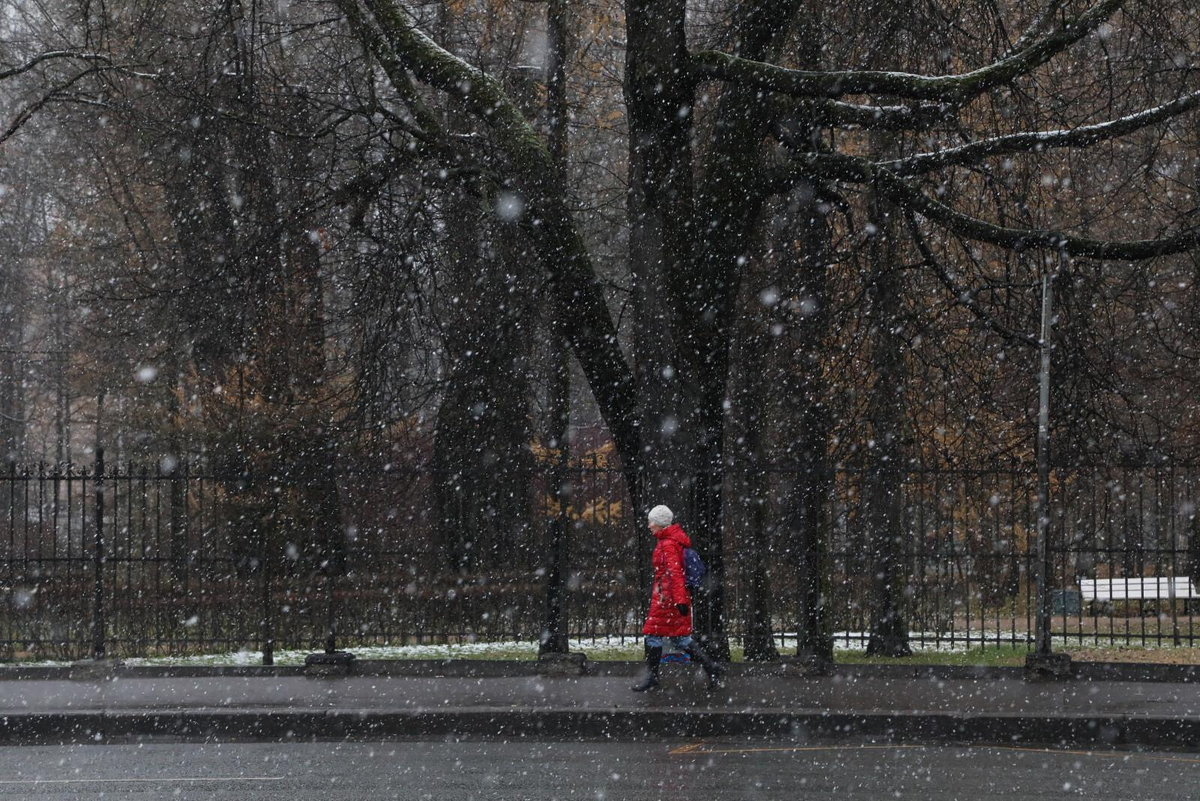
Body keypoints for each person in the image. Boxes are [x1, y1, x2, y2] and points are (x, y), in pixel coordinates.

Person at [631, 504, 724, 692]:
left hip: (667, 600)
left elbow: (675, 574)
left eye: (651, 522)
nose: (649, 526)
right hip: (667, 597)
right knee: (679, 639)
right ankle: (711, 668)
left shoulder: (668, 544)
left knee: (654, 635)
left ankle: (653, 677)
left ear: (659, 523)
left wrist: (680, 601)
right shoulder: (669, 541)